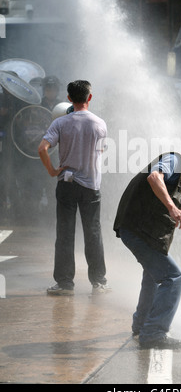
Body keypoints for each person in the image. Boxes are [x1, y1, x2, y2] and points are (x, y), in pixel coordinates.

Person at [113, 143, 181, 350]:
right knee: (173, 277)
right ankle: (154, 333)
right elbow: (154, 178)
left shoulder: (179, 176)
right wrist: (171, 207)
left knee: (152, 276)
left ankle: (142, 326)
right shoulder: (173, 161)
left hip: (139, 231)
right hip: (136, 230)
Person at [38, 80, 109, 296]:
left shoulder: (60, 123)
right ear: (89, 97)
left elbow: (42, 148)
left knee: (65, 234)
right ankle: (99, 283)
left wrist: (52, 170)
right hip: (91, 186)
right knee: (93, 233)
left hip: (67, 183)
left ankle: (65, 284)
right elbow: (102, 150)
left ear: (69, 99)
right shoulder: (100, 124)